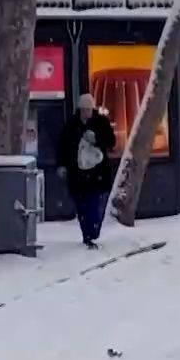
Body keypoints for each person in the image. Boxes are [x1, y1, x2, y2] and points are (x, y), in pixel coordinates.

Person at [56, 92, 117, 249]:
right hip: (77, 174)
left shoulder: (101, 122)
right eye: (83, 110)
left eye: (88, 110)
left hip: (97, 173)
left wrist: (97, 139)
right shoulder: (71, 125)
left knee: (94, 204)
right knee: (82, 206)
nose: (85, 113)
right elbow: (62, 146)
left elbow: (111, 141)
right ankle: (87, 235)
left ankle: (93, 232)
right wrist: (61, 165)